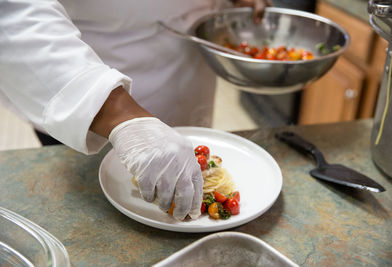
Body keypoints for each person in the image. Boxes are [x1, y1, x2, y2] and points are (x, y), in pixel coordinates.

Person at [0, 0, 270, 220]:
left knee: (185, 180)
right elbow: (13, 13)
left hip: (191, 68)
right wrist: (118, 116)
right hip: (86, 81)